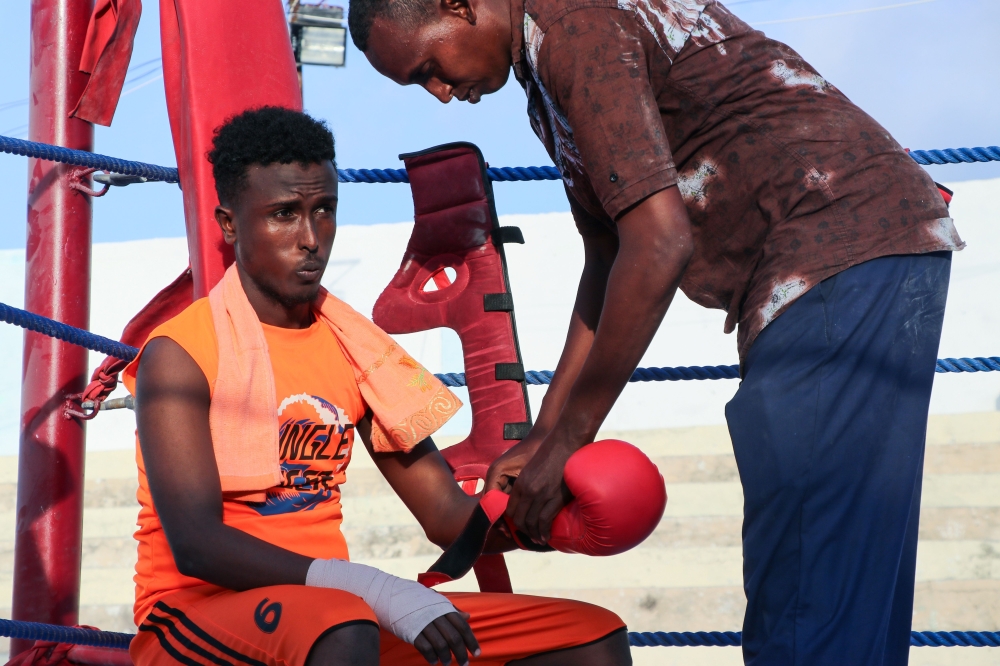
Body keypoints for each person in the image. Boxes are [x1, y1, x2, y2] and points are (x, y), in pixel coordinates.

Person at [348, 0, 964, 663]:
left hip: (839, 248)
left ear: (457, 5)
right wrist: (545, 437)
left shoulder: (573, 26)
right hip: (855, 257)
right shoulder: (545, 63)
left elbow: (658, 243)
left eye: (429, 69)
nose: (441, 94)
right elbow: (609, 255)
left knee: (810, 562)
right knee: (841, 560)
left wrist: (573, 438)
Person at [123, 106, 631, 666]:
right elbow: (195, 544)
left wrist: (555, 519)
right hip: (195, 614)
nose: (311, 238)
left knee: (590, 639)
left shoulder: (351, 347)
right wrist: (378, 590)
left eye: (324, 210)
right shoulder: (179, 353)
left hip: (334, 612)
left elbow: (446, 517)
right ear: (229, 224)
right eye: (284, 214)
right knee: (344, 626)